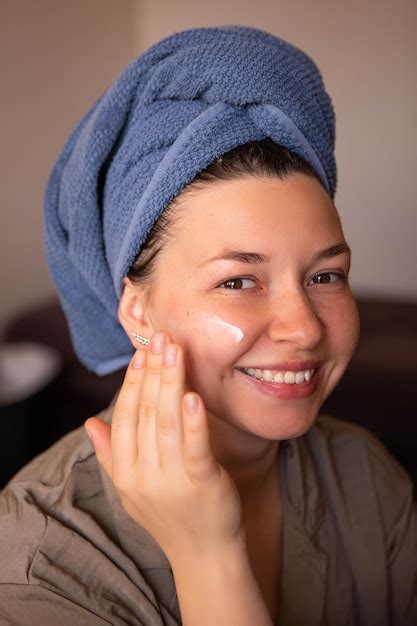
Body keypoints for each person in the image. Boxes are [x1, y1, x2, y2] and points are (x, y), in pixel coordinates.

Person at [0, 25, 415, 626]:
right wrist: (207, 557)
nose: (304, 328)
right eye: (238, 281)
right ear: (137, 312)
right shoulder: (41, 562)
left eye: (326, 276)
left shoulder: (365, 478)